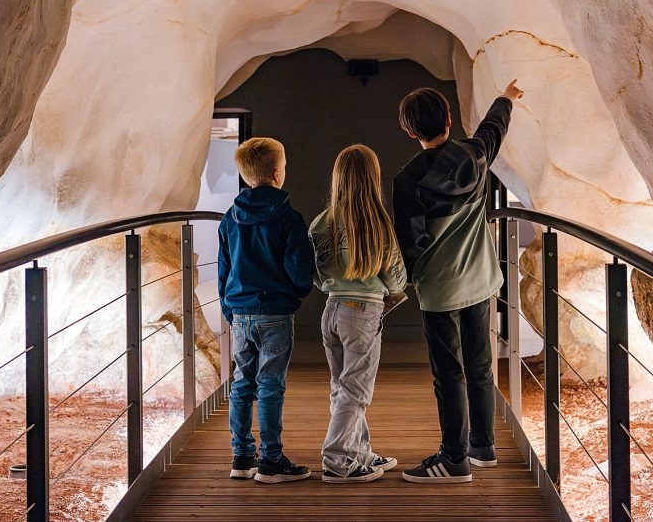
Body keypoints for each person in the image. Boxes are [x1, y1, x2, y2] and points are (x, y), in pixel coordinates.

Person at [393, 80, 525, 483]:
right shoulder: (475, 154)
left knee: (448, 373)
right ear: (450, 119)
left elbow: (410, 242)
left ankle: (454, 459)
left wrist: (408, 280)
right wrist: (506, 98)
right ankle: (483, 448)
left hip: (439, 290)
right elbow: (493, 128)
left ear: (411, 131)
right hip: (480, 280)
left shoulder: (408, 180)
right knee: (481, 365)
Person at [218, 136, 314, 483]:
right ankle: (272, 461)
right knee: (271, 386)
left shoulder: (230, 219)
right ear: (277, 172)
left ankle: (242, 457)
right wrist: (295, 295)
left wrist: (230, 310)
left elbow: (223, 270)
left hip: (241, 314)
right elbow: (299, 270)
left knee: (242, 384)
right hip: (275, 313)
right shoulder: (290, 218)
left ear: (246, 176)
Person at [309, 145, 407, 483]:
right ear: (373, 179)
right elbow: (396, 279)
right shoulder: (377, 222)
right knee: (356, 391)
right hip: (363, 313)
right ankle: (338, 461)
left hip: (331, 310)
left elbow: (318, 275)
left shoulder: (322, 222)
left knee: (342, 386)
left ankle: (359, 452)